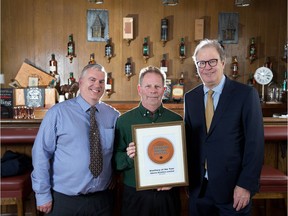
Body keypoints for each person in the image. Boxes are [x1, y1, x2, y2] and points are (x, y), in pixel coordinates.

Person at [184, 38, 264, 216]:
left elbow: (255, 144)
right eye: (201, 63)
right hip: (199, 189)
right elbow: (188, 142)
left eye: (212, 61)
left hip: (233, 190)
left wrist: (245, 185)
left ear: (223, 62)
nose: (207, 67)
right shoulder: (190, 98)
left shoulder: (245, 95)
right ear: (197, 66)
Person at [31, 63, 120, 216]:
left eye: (101, 81)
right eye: (92, 79)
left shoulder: (113, 116)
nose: (97, 85)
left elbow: (117, 151)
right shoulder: (58, 113)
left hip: (102, 200)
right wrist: (42, 194)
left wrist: (116, 175)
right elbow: (41, 153)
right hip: (64, 200)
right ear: (80, 82)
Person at [114, 66, 183, 216]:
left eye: (157, 86)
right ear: (140, 89)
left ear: (164, 90)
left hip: (168, 194)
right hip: (135, 195)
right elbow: (115, 161)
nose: (153, 91)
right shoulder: (124, 121)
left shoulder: (176, 121)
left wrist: (175, 179)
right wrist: (128, 157)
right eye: (148, 86)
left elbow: (184, 158)